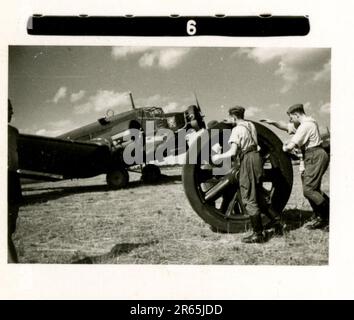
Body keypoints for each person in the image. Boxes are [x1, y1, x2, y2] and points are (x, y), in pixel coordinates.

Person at [212, 106, 283, 243]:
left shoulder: (236, 130)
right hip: (257, 158)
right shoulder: (250, 125)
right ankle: (278, 223)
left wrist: (219, 156)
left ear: (233, 117)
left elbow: (233, 152)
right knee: (258, 195)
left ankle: (258, 234)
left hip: (248, 160)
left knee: (249, 196)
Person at [261, 104, 330, 230]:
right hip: (310, 155)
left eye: (291, 118)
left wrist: (284, 146)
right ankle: (320, 216)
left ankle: (328, 217)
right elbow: (286, 127)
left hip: (315, 154)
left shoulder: (306, 125)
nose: (290, 121)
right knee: (313, 189)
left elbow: (289, 146)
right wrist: (273, 123)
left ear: (297, 115)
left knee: (309, 190)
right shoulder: (302, 125)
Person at [8, 99, 22, 262]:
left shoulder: (14, 132)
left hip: (13, 179)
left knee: (10, 230)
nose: (12, 112)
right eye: (9, 109)